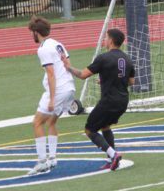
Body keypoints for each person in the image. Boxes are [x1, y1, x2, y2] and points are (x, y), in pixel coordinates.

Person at [62, 28, 135, 171]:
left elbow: (83, 75)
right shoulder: (127, 58)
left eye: (106, 38)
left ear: (111, 41)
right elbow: (131, 82)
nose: (104, 40)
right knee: (105, 126)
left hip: (109, 101)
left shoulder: (103, 58)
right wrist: (108, 80)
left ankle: (113, 155)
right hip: (123, 101)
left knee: (90, 130)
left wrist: (68, 67)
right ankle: (112, 160)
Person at [27, 15, 75, 175]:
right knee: (52, 122)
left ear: (36, 32)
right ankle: (52, 158)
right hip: (69, 88)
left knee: (37, 122)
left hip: (58, 90)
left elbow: (51, 74)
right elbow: (67, 64)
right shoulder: (57, 44)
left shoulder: (43, 49)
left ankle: (42, 161)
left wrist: (52, 99)